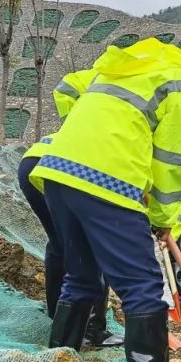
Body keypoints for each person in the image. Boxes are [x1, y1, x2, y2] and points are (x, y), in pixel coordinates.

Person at [31, 39, 181, 362]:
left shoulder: (138, 62)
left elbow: (67, 88)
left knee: (81, 278)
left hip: (58, 170)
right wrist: (163, 219)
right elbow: (174, 163)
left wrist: (92, 135)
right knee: (142, 287)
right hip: (107, 179)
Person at [18, 67, 122, 347]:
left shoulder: (101, 100)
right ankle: (94, 329)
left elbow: (66, 87)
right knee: (92, 249)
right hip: (67, 170)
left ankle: (58, 316)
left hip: (35, 162)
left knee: (61, 245)